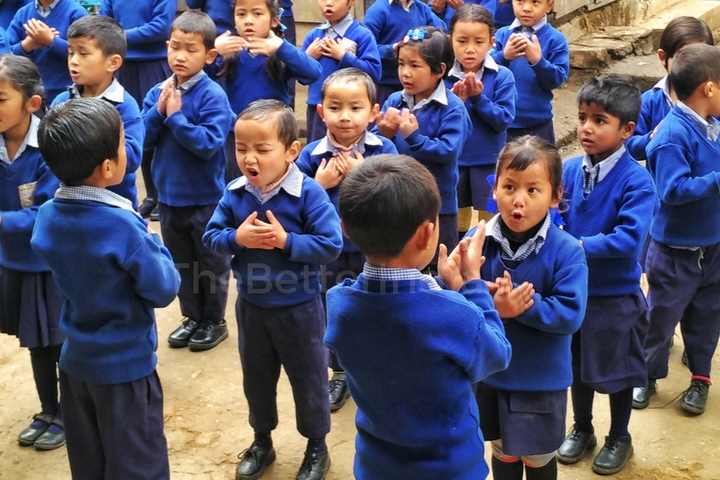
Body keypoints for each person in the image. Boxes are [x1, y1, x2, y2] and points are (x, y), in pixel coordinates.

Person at [325, 154, 511, 479]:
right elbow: (496, 356)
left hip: (377, 465)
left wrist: (440, 287)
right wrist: (472, 285)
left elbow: (399, 321)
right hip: (451, 468)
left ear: (346, 231)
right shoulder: (455, 315)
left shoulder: (339, 305)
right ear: (427, 235)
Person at [31, 98, 180, 479]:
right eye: (122, 141)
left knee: (89, 462)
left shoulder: (46, 215)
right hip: (125, 368)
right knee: (138, 464)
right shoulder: (122, 226)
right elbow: (164, 288)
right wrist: (152, 241)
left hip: (76, 361)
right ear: (109, 166)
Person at [203, 99, 343, 480]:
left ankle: (316, 447)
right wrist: (238, 237)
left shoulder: (309, 194)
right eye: (241, 148)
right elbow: (211, 237)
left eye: (262, 149)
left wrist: (286, 241)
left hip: (299, 309)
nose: (250, 159)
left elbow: (331, 245)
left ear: (290, 151)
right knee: (257, 379)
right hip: (252, 307)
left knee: (309, 379)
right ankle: (261, 440)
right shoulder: (234, 193)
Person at [558, 74, 658, 475]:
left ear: (627, 130)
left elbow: (629, 238)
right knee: (577, 368)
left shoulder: (637, 181)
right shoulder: (566, 170)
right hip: (574, 293)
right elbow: (552, 215)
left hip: (615, 297)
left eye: (600, 120)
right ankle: (582, 428)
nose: (586, 127)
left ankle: (620, 435)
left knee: (617, 372)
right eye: (583, 117)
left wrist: (577, 246)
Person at [473, 136, 588, 480]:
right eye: (509, 186)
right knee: (501, 450)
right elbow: (460, 299)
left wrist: (520, 307)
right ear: (494, 190)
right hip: (492, 375)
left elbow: (570, 314)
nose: (518, 200)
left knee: (537, 457)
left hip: (540, 380)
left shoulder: (567, 251)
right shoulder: (477, 243)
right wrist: (488, 303)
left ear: (555, 197)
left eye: (533, 190)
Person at [295, 68, 397, 412]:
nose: (345, 117)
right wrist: (318, 185)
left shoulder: (384, 149)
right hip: (328, 253)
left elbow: (398, 198)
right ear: (321, 112)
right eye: (335, 107)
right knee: (332, 309)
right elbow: (291, 204)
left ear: (373, 113)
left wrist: (364, 176)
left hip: (375, 252)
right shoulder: (309, 157)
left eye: (356, 108)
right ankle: (338, 372)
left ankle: (377, 368)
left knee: (377, 308)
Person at [142, 10, 235, 351]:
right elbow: (143, 139)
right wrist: (159, 111)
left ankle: (214, 320)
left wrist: (177, 117)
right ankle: (192, 317)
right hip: (169, 197)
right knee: (181, 260)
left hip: (205, 197)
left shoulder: (212, 96)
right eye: (175, 47)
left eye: (191, 49)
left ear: (210, 55)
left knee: (210, 261)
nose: (180, 56)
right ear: (167, 47)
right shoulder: (158, 92)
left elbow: (208, 146)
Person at [640, 43, 720, 416]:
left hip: (713, 245)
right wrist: (716, 181)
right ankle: (647, 375)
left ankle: (700, 378)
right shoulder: (672, 134)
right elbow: (672, 191)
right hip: (674, 250)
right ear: (709, 89)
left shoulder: (715, 126)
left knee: (707, 315)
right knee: (660, 318)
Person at [0, 55, 64, 451]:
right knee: (36, 343)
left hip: (49, 264)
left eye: (1, 98)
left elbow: (48, 212)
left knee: (61, 342)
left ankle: (69, 413)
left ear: (32, 104)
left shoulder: (51, 148)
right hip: (13, 262)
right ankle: (48, 409)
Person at [375, 26, 471, 272]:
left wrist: (414, 137)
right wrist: (384, 133)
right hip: (399, 199)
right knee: (402, 264)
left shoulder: (451, 107)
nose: (405, 73)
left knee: (441, 267)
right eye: (401, 64)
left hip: (439, 205)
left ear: (439, 70)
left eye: (415, 66)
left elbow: (449, 151)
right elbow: (377, 144)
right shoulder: (395, 101)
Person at [212, 0, 321, 183]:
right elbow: (201, 77)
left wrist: (281, 48)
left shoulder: (280, 53)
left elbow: (313, 73)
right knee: (237, 187)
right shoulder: (228, 54)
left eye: (257, 14)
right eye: (241, 14)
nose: (248, 21)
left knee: (274, 184)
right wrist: (215, 51)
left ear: (274, 20)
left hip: (273, 135)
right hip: (236, 137)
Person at [51, 15, 144, 209]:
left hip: (115, 205)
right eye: (70, 53)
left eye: (83, 53)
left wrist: (84, 149)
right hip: (69, 203)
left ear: (113, 63)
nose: (73, 61)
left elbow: (132, 156)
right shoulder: (62, 102)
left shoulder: (124, 105)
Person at [99, 0, 177, 219]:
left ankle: (165, 196)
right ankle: (151, 196)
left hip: (153, 63)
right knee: (135, 131)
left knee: (159, 128)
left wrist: (119, 37)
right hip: (123, 65)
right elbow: (104, 23)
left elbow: (161, 26)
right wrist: (114, 37)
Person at [446, 4, 516, 237]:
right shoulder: (441, 77)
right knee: (457, 219)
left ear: (491, 43)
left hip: (488, 161)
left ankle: (486, 260)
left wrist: (478, 99)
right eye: (462, 41)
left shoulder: (501, 76)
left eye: (478, 42)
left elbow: (503, 120)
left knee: (491, 221)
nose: (470, 49)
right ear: (450, 40)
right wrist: (455, 105)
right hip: (453, 162)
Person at [626, 16, 713, 161]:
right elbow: (625, 144)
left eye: (700, 59)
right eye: (683, 57)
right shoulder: (650, 102)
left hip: (708, 181)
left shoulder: (714, 100)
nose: (692, 67)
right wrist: (651, 138)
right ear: (663, 57)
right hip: (662, 182)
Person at [302, 0, 381, 143]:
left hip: (351, 109)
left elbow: (375, 72)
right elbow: (300, 76)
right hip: (318, 107)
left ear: (351, 2)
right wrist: (307, 57)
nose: (329, 3)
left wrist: (343, 57)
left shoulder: (362, 35)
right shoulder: (314, 35)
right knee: (318, 151)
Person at [490, 0, 568, 144]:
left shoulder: (555, 39)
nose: (526, 8)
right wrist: (504, 56)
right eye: (520, 1)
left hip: (538, 124)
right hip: (501, 123)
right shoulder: (502, 35)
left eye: (535, 2)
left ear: (549, 5)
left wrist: (539, 61)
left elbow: (556, 80)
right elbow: (485, 70)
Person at [362, 0, 445, 108]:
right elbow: (364, 47)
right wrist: (391, 49)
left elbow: (442, 31)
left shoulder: (421, 8)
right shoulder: (379, 10)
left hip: (416, 85)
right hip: (385, 85)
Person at [7, 0, 87, 102]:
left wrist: (51, 41)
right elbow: (7, 54)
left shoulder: (76, 12)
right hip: (29, 94)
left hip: (67, 94)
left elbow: (85, 53)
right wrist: (27, 45)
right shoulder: (23, 13)